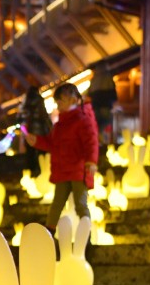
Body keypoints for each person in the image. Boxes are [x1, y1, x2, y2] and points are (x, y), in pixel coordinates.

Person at [23, 83, 99, 232]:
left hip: (78, 169)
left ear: (73, 100)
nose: (58, 105)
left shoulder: (83, 120)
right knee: (57, 202)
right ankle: (50, 232)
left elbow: (91, 142)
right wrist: (37, 141)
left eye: (61, 101)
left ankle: (86, 234)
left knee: (80, 203)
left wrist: (91, 161)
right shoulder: (60, 124)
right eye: (57, 102)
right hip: (63, 170)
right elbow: (53, 143)